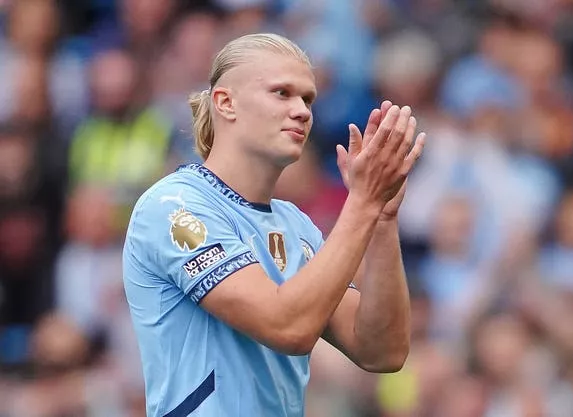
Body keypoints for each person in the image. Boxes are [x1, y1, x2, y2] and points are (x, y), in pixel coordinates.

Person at [122, 33, 426, 417]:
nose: (302, 110)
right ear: (226, 102)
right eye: (282, 93)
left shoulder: (296, 225)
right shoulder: (174, 207)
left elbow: (382, 350)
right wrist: (363, 203)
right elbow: (287, 327)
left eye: (308, 98)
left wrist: (382, 218)